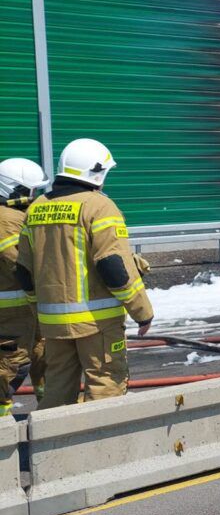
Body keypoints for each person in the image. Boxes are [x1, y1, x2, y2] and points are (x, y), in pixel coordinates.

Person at [15, 138, 154, 408]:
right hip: (97, 325)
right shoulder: (99, 207)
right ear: (97, 171)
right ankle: (101, 449)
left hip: (53, 326)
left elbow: (23, 271)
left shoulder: (36, 208)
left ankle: (51, 447)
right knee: (105, 389)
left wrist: (39, 312)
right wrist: (143, 312)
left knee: (56, 390)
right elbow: (114, 268)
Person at [0, 158, 48, 415]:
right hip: (11, 320)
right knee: (8, 373)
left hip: (28, 315)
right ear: (14, 190)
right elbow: (20, 265)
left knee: (48, 370)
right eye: (32, 191)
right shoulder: (6, 221)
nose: (35, 197)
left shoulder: (14, 217)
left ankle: (55, 420)